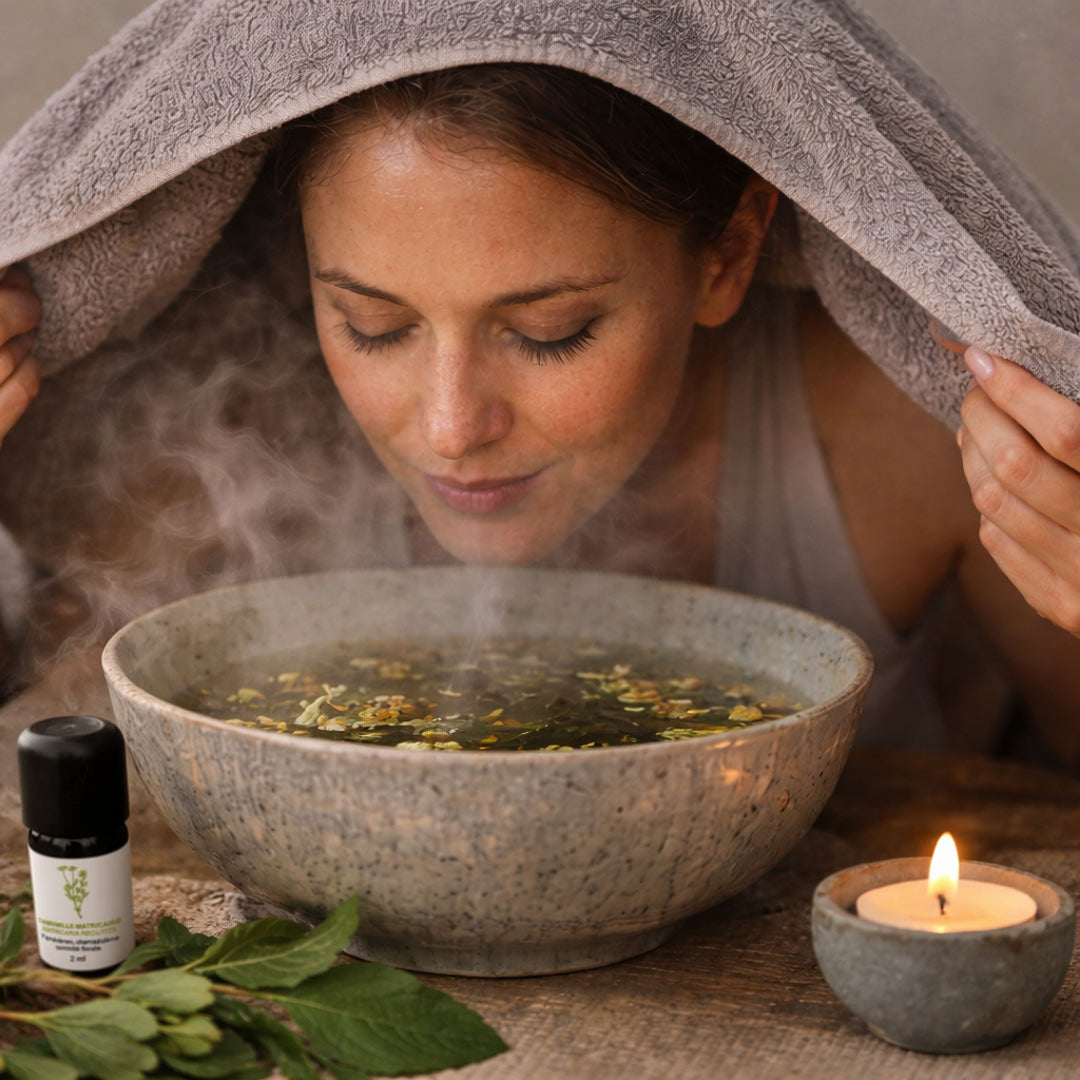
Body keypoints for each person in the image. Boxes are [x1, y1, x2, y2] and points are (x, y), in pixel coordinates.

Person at [2, 61, 1080, 760]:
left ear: (728, 255)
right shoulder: (199, 453)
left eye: (551, 330)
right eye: (374, 324)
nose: (450, 425)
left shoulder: (920, 436)